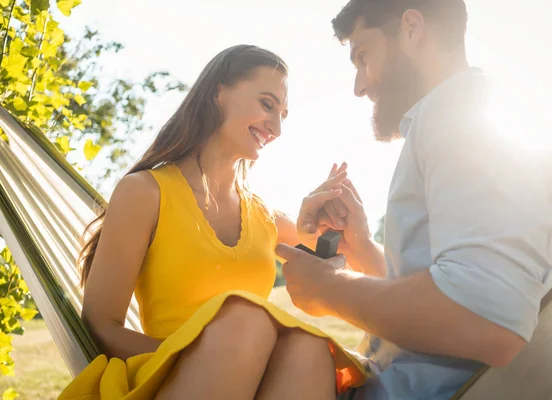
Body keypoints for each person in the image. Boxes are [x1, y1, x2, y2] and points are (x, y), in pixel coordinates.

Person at [276, 1, 552, 399]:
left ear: (411, 28)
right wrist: (363, 251)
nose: (359, 85)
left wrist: (329, 288)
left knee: (256, 342)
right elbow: (464, 297)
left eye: (363, 56)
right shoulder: (498, 120)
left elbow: (485, 319)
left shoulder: (461, 115)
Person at [58, 44, 366, 400]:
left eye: (283, 114)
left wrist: (327, 221)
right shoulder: (145, 193)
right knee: (246, 320)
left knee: (307, 347)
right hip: (166, 377)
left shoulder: (264, 216)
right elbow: (100, 323)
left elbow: (351, 260)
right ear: (218, 92)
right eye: (267, 105)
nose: (277, 128)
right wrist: (203, 360)